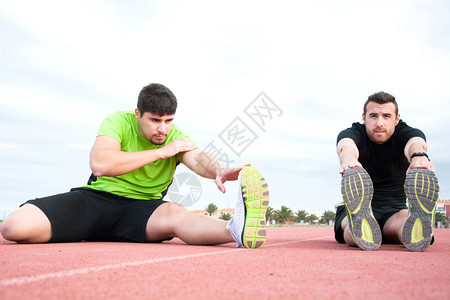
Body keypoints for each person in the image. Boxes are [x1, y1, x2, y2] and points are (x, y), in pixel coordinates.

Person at [0, 83, 269, 249]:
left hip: (142, 210)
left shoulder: (176, 137)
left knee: (174, 213)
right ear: (138, 113)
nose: (162, 129)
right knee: (14, 227)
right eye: (154, 120)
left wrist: (219, 171)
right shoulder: (117, 121)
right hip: (96, 199)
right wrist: (162, 153)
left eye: (169, 120)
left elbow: (196, 158)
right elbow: (101, 164)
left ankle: (235, 229)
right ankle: (85, 231)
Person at [334, 91, 439, 252]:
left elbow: (416, 142)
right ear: (364, 117)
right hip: (354, 210)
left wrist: (419, 156)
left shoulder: (405, 133)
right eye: (374, 116)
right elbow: (346, 145)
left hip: (394, 210)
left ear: (397, 119)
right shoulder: (354, 133)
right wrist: (349, 159)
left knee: (404, 225)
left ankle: (416, 229)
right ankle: (358, 226)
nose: (379, 123)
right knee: (349, 227)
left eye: (387, 116)